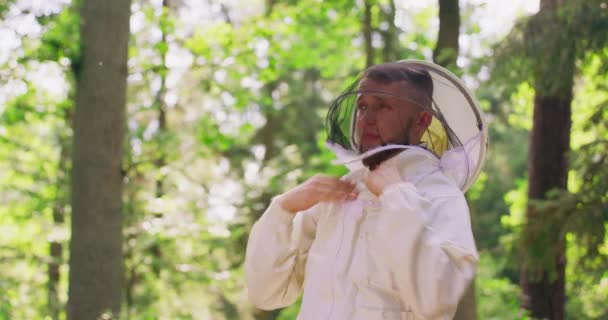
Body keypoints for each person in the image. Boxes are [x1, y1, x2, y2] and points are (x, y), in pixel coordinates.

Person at [244, 61, 484, 320]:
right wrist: (284, 207)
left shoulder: (442, 196)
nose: (367, 119)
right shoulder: (336, 195)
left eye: (383, 106)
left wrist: (396, 196)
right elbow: (267, 294)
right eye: (362, 106)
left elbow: (437, 301)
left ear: (422, 121)